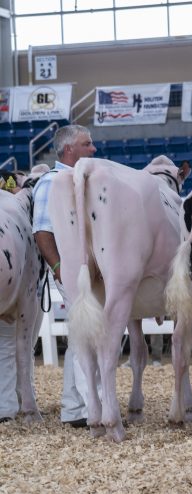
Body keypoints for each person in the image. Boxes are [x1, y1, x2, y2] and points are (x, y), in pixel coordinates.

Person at [32, 125, 97, 428]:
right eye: (87, 144)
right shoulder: (52, 182)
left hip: (84, 270)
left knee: (81, 336)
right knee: (88, 336)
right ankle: (93, 406)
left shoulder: (81, 178)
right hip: (71, 271)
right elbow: (42, 232)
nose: (93, 149)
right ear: (69, 149)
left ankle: (74, 409)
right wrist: (59, 269)